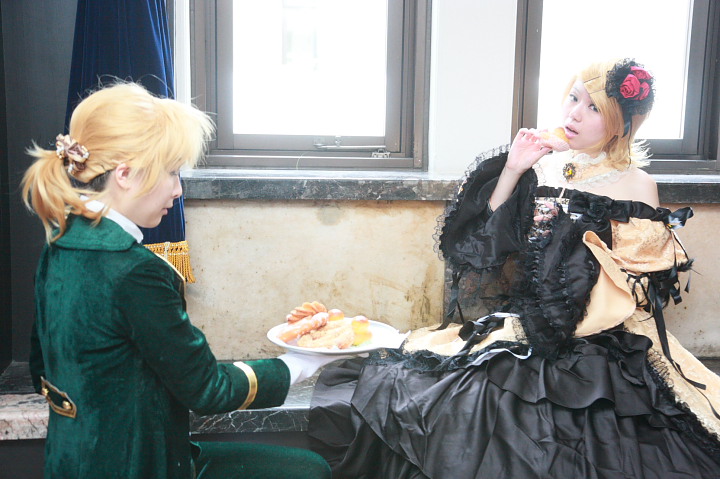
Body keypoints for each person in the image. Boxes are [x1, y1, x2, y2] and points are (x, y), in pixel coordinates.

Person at [308, 59, 720, 478]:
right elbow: (479, 248)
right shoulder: (542, 164)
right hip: (530, 321)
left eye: (594, 107)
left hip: (606, 331)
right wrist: (513, 167)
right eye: (573, 98)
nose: (575, 114)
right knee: (458, 401)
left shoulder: (638, 183)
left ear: (620, 124)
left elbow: (643, 280)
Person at [22, 82, 338, 479]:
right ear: (125, 175)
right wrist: (304, 361)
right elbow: (208, 390)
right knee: (310, 470)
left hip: (72, 462)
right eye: (171, 172)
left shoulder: (60, 243)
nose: (178, 189)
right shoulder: (135, 270)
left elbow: (41, 369)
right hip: (141, 467)